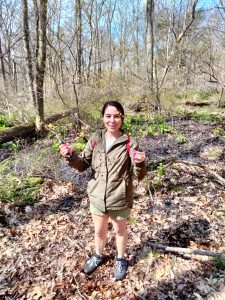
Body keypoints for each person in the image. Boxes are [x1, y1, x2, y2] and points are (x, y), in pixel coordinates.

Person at [59, 100, 147, 280]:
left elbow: (140, 176)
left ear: (122, 118)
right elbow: (82, 164)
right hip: (97, 197)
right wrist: (71, 155)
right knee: (99, 232)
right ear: (103, 118)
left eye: (116, 116)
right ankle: (98, 255)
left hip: (120, 198)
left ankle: (120, 259)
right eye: (108, 116)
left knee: (120, 232)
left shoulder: (130, 142)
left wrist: (140, 163)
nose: (112, 120)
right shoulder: (95, 139)